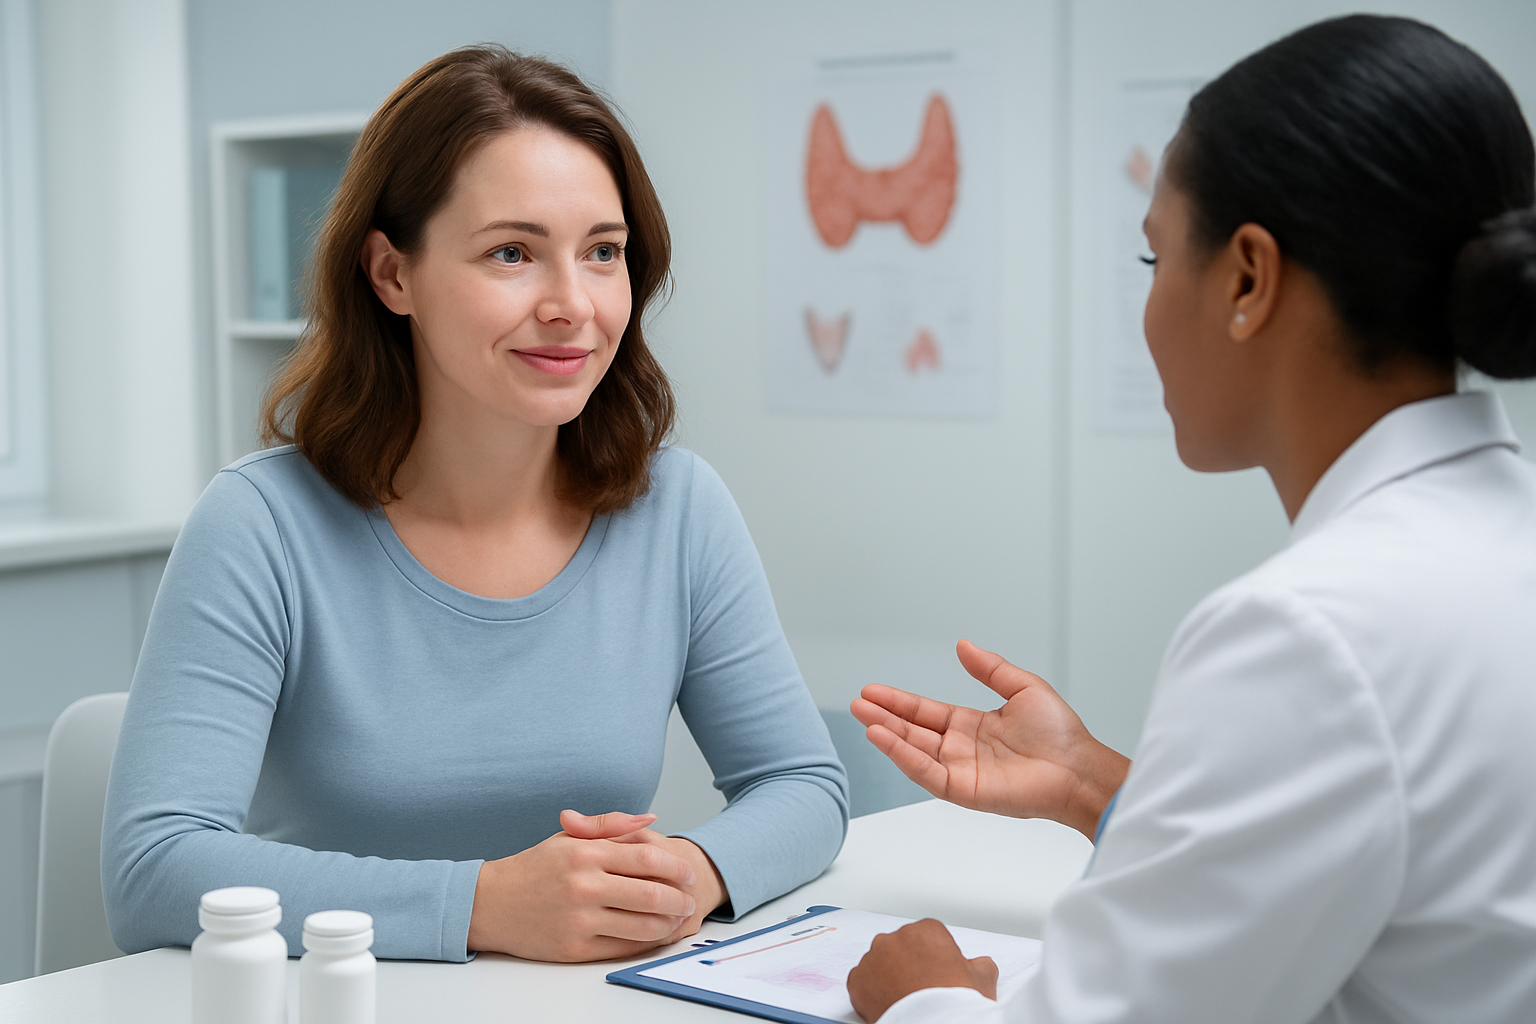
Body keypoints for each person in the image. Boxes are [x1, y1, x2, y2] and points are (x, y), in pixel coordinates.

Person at [845, 15, 1536, 1023]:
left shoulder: (1308, 632)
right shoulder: (1493, 543)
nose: (1149, 309)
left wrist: (923, 1000)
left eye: (1152, 260)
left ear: (1248, 278)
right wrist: (1090, 782)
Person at [101, 45, 848, 964]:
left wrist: (691, 871)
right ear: (392, 275)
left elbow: (803, 783)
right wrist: (480, 904)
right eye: (512, 253)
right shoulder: (260, 525)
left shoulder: (680, 509)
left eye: (603, 253)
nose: (573, 304)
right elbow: (153, 869)